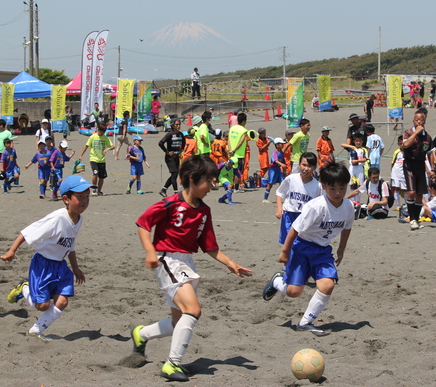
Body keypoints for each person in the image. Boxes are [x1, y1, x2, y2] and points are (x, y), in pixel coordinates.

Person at [130, 155, 252, 382]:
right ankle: (171, 364)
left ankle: (141, 334)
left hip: (186, 263)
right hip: (167, 259)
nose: (212, 186)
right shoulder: (169, 203)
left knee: (179, 322)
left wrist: (230, 264)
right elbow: (143, 223)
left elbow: (209, 246)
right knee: (193, 311)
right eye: (209, 181)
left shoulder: (204, 211)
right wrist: (149, 251)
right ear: (192, 179)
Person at [263, 161, 354, 336]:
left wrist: (341, 249)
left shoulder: (348, 207)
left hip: (322, 251)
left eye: (342, 188)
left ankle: (305, 322)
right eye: (332, 188)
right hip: (301, 249)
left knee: (327, 285)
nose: (338, 193)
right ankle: (277, 281)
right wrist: (284, 252)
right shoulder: (315, 206)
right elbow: (295, 229)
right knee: (294, 292)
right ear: (324, 186)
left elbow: (347, 228)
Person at [0, 175, 94, 340]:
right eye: (80, 197)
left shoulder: (79, 219)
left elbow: (70, 246)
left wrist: (76, 268)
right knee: (42, 306)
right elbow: (27, 231)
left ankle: (36, 330)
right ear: (66, 199)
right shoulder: (56, 218)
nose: (85, 201)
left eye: (87, 196)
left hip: (61, 267)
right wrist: (12, 251)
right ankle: (24, 288)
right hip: (43, 265)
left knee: (62, 302)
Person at [275, 152, 321, 245]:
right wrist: (279, 208)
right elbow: (280, 192)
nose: (306, 169)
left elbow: (318, 205)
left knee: (300, 243)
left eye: (310, 166)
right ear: (299, 164)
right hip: (289, 215)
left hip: (304, 217)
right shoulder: (291, 178)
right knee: (288, 242)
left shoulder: (317, 185)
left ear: (315, 167)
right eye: (304, 165)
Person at [403, 111, 433, 230]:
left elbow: (430, 153)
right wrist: (415, 133)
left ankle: (416, 219)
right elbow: (406, 145)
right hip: (409, 164)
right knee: (411, 192)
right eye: (416, 120)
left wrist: (432, 168)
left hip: (421, 164)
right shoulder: (408, 132)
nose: (418, 122)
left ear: (424, 121)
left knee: (420, 194)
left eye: (420, 120)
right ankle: (412, 218)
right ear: (413, 121)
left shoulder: (428, 137)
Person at [78, 123, 115, 196]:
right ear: (98, 130)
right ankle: (94, 189)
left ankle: (99, 190)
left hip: (102, 160)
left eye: (104, 132)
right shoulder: (92, 137)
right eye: (101, 131)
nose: (102, 133)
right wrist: (81, 155)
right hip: (93, 159)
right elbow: (86, 146)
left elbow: (113, 146)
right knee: (95, 174)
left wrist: (108, 148)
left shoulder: (105, 138)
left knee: (102, 177)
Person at [158, 119, 185, 197]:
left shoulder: (181, 134)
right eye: (176, 124)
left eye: (179, 124)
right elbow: (160, 143)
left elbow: (183, 143)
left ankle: (164, 189)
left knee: (174, 175)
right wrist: (167, 151)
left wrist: (181, 150)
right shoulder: (169, 134)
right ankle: (176, 193)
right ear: (173, 126)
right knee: (175, 173)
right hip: (170, 157)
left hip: (177, 156)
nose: (178, 126)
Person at [341, 133, 369, 203]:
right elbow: (342, 145)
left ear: (362, 141)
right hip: (352, 168)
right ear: (354, 141)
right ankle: (353, 201)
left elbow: (366, 159)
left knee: (359, 185)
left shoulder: (364, 149)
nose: (358, 142)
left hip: (359, 168)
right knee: (352, 184)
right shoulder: (352, 149)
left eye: (360, 141)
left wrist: (357, 161)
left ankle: (358, 200)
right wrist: (351, 146)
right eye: (357, 141)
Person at [263, 138, 286, 203]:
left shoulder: (281, 152)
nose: (282, 145)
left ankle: (283, 197)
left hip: (278, 169)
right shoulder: (275, 152)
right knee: (270, 184)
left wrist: (284, 169)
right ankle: (265, 198)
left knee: (282, 182)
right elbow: (275, 160)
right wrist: (281, 164)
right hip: (273, 169)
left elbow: (283, 161)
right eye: (281, 144)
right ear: (277, 145)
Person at [390, 136, 407, 210]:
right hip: (396, 173)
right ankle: (398, 205)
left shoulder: (408, 152)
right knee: (396, 188)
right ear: (398, 144)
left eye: (403, 143)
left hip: (404, 173)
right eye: (400, 144)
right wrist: (392, 172)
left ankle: (407, 204)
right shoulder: (396, 152)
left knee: (405, 189)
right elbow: (393, 163)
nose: (402, 145)